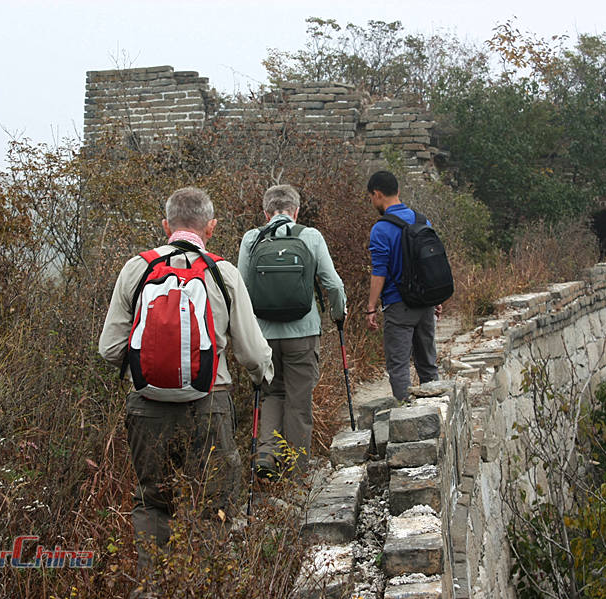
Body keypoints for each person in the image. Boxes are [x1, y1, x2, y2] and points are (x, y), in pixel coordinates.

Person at [98, 187, 273, 570]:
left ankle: (153, 585)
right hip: (211, 404)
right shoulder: (222, 272)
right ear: (210, 228)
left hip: (146, 407)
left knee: (153, 501)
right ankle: (206, 580)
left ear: (166, 226)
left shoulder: (137, 268)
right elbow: (254, 354)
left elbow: (109, 349)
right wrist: (264, 376)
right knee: (215, 503)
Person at [237, 184, 346, 476]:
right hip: (303, 333)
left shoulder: (251, 238)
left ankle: (266, 456)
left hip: (264, 335)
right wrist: (339, 315)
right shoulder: (310, 236)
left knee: (272, 393)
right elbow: (333, 284)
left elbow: (242, 289)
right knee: (299, 400)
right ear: (296, 211)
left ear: (266, 212)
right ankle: (296, 474)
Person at [365, 171, 441, 402]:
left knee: (399, 367)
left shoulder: (381, 229)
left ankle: (406, 415)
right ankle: (435, 411)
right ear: (398, 191)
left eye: (371, 198)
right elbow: (430, 264)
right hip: (425, 303)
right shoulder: (422, 220)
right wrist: (435, 298)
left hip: (398, 306)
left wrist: (370, 307)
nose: (372, 202)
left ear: (377, 194)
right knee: (428, 364)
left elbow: (380, 271)